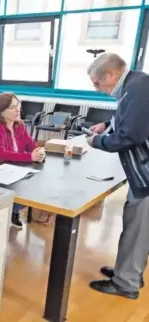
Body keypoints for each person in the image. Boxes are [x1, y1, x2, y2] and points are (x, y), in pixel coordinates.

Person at [85, 52, 149, 299]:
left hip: (145, 172)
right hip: (141, 171)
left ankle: (126, 283)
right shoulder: (135, 85)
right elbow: (127, 118)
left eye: (97, 83)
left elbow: (131, 135)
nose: (97, 89)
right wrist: (106, 125)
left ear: (111, 74)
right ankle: (129, 270)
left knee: (139, 226)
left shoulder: (139, 89)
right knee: (136, 225)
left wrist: (98, 140)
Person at [0, 93, 45, 228]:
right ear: (1, 111)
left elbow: (31, 145)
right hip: (0, 169)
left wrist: (37, 152)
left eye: (18, 105)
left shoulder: (19, 125)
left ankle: (14, 210)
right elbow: (1, 155)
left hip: (16, 167)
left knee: (37, 182)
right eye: (12, 107)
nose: (18, 109)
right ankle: (12, 210)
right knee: (27, 185)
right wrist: (29, 157)